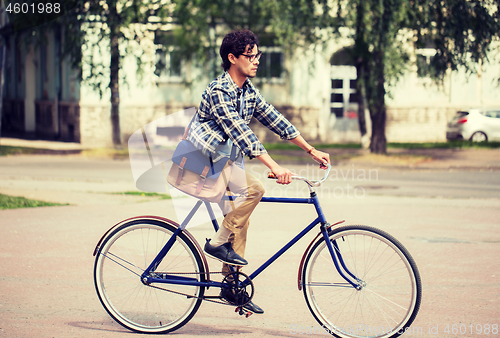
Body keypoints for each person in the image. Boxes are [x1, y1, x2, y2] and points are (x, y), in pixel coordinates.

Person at [186, 29, 331, 313]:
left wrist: (310, 150)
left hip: (224, 164)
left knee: (240, 221)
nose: (256, 61)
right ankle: (216, 244)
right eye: (250, 56)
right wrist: (275, 167)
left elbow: (276, 120)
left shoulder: (248, 92)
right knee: (256, 189)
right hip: (200, 162)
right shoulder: (218, 91)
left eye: (257, 55)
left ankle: (232, 287)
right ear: (232, 58)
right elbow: (240, 133)